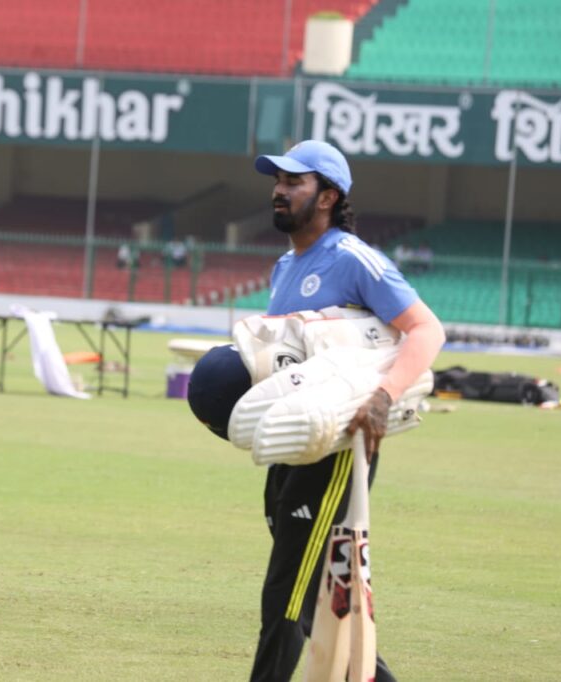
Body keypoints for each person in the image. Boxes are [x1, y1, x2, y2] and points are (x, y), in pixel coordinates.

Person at [211, 140, 444, 681]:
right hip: (293, 441)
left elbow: (426, 329)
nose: (279, 190)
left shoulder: (352, 258)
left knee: (286, 598)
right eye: (277, 180)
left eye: (295, 182)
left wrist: (383, 397)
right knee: (320, 602)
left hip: (338, 445)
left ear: (328, 196)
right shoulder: (283, 265)